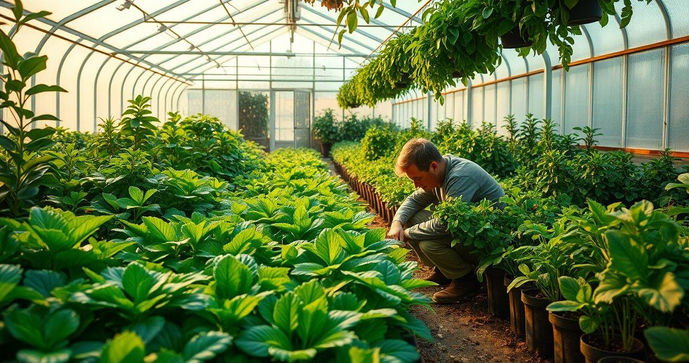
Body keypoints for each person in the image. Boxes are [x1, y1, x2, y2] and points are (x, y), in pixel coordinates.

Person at [386, 138, 505, 303]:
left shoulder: (460, 177)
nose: (415, 185)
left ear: (433, 166)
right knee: (410, 219)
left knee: (429, 244)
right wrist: (396, 223)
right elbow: (413, 200)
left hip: (489, 242)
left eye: (418, 178)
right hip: (469, 232)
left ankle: (466, 280)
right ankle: (445, 270)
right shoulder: (439, 173)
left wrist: (407, 234)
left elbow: (444, 224)